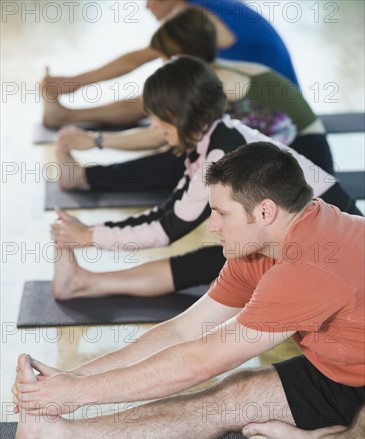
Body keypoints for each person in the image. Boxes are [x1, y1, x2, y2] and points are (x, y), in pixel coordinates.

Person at [14, 142, 365, 439]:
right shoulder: (259, 247)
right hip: (343, 372)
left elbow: (198, 364)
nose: (212, 226)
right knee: (235, 392)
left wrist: (76, 394)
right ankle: (58, 438)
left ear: (265, 211)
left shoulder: (312, 263)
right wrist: (74, 378)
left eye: (221, 213)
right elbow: (184, 330)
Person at [50, 56, 361, 300]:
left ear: (179, 115)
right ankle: (83, 282)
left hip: (338, 256)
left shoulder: (220, 154)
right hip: (334, 242)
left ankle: (83, 283)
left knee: (220, 261)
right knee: (222, 257)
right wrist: (91, 233)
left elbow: (166, 227)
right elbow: (171, 212)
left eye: (157, 115)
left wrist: (90, 236)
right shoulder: (218, 136)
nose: (153, 124)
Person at [57, 4, 334, 198]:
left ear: (181, 58)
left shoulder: (211, 84)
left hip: (305, 168)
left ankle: (83, 178)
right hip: (298, 154)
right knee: (194, 149)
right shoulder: (223, 67)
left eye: (165, 59)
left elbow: (159, 137)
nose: (164, 67)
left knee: (185, 157)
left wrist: (95, 141)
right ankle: (87, 176)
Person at [42, 0, 299, 128]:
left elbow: (137, 59)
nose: (145, 6)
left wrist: (74, 83)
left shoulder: (194, 18)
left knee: (166, 94)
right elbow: (142, 57)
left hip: (272, 110)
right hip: (261, 95)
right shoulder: (199, 9)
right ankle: (67, 115)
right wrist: (74, 83)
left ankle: (66, 116)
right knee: (169, 89)